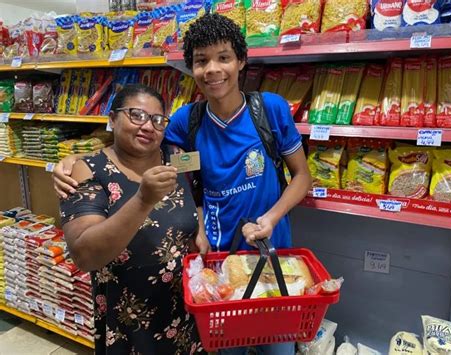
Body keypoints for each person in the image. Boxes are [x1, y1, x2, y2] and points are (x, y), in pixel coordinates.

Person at [54, 14, 311, 355]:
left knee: (278, 349)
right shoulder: (184, 121)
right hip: (219, 265)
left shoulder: (270, 110)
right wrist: (76, 161)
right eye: (201, 61)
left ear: (241, 61)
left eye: (224, 57)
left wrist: (272, 217)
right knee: (227, 349)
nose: (213, 69)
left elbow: (302, 177)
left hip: (272, 260)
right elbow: (135, 147)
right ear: (191, 69)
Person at [59, 84, 203, 354]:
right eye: (136, 115)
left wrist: (200, 227)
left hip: (183, 312)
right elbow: (84, 254)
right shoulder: (87, 170)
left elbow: (198, 192)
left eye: (158, 120)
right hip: (128, 322)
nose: (148, 126)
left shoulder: (176, 157)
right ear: (112, 119)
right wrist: (142, 200)